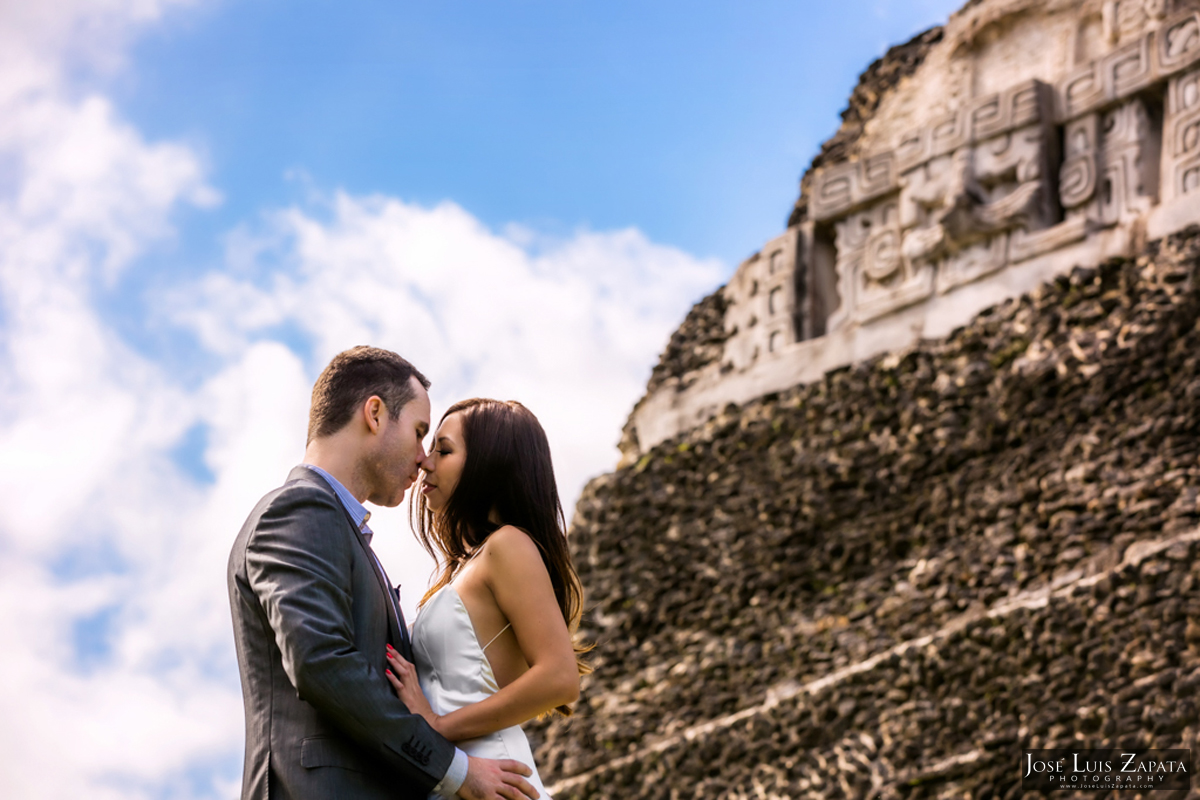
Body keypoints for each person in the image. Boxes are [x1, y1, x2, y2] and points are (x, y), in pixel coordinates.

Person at [227, 346, 539, 800]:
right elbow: (321, 661)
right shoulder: (299, 508)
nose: (422, 457)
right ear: (374, 413)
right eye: (418, 432)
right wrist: (455, 770)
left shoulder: (340, 530)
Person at [382, 398, 591, 800]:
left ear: (487, 465)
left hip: (494, 779)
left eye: (443, 450)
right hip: (459, 779)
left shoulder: (507, 545)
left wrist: (437, 727)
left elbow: (560, 678)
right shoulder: (464, 567)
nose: (426, 462)